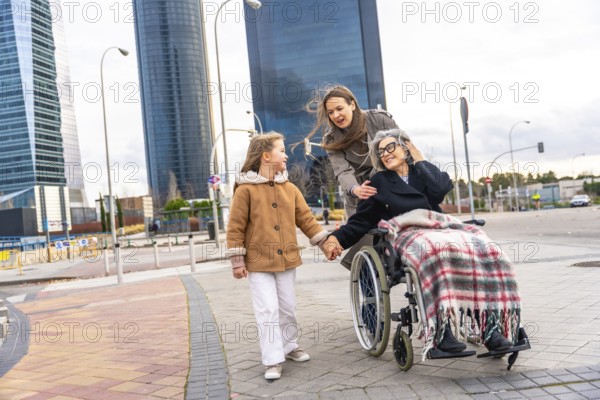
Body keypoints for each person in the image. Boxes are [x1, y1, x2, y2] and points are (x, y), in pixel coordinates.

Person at [322, 129, 520, 357]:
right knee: (436, 252)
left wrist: (418, 155)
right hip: (405, 234)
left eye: (390, 147)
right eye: (380, 151)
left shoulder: (422, 172)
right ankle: (441, 333)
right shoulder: (379, 181)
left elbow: (441, 188)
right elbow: (362, 219)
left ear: (406, 149)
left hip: (438, 227)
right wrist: (336, 239)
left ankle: (489, 328)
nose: (385, 154)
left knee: (484, 250)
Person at [226, 132, 330, 381]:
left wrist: (325, 243)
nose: (286, 155)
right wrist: (237, 260)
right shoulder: (246, 191)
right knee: (267, 310)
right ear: (266, 155)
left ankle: (290, 345)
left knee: (287, 307)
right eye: (281, 150)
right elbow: (235, 227)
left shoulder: (290, 189)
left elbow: (306, 220)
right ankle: (272, 359)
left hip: (286, 260)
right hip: (258, 262)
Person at [306, 85, 399, 267]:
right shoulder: (331, 138)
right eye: (330, 112)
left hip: (391, 184)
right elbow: (342, 171)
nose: (336, 115)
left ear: (353, 105)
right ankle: (369, 288)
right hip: (359, 193)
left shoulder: (379, 120)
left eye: (339, 108)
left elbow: (404, 148)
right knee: (364, 243)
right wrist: (356, 189)